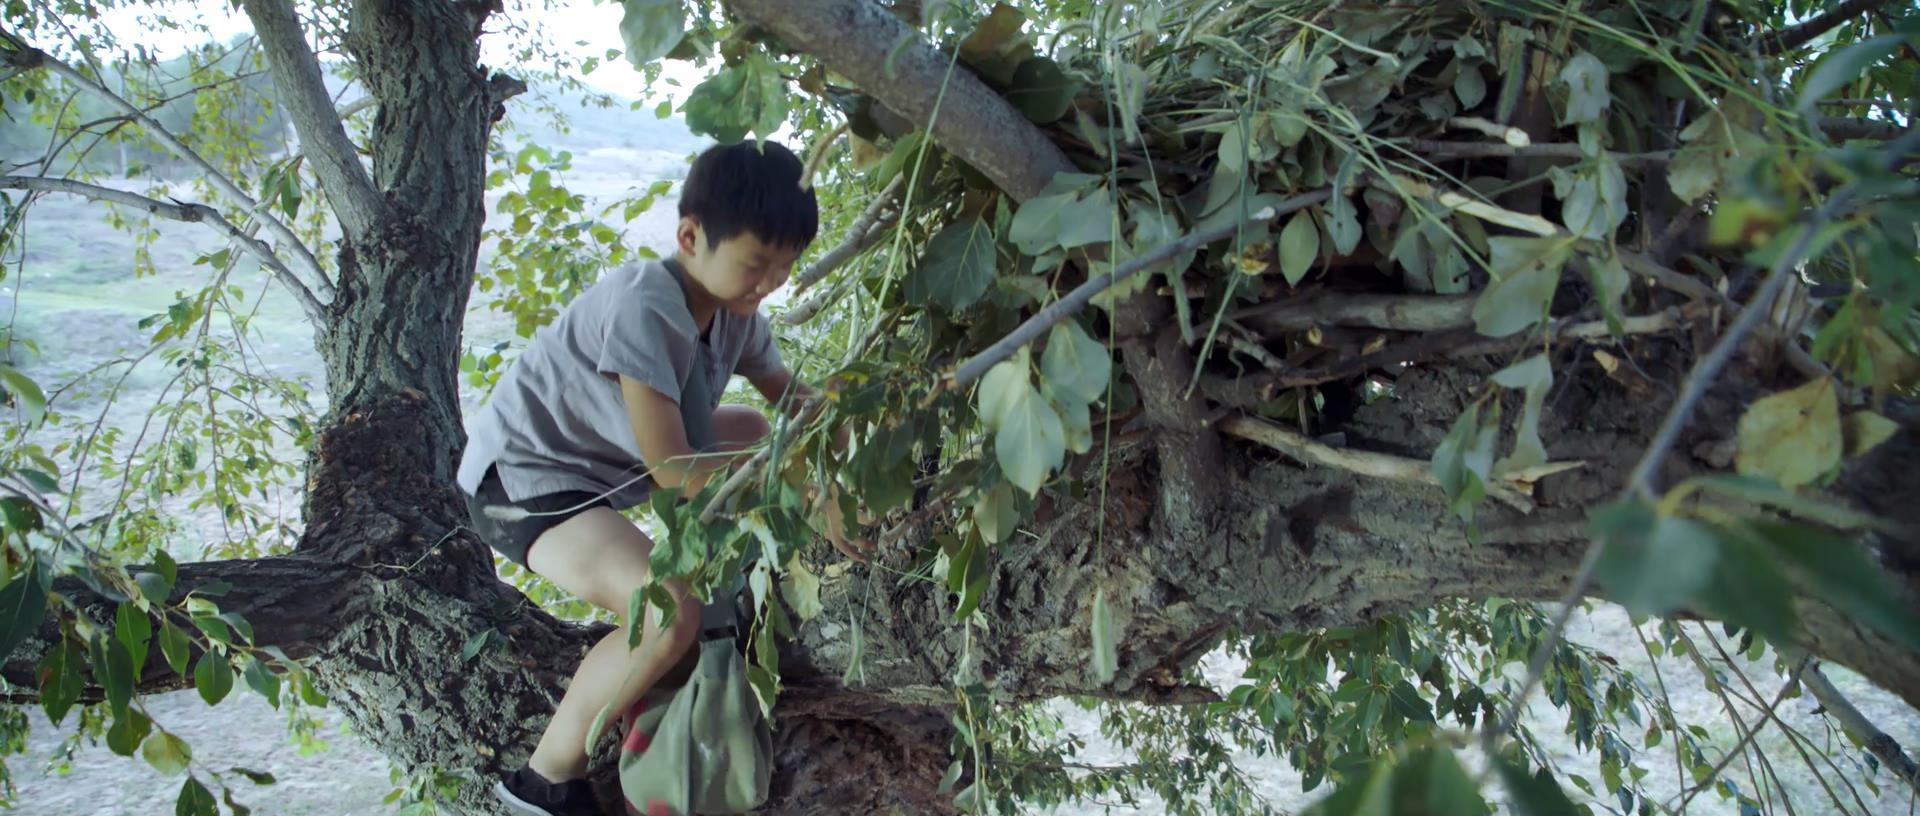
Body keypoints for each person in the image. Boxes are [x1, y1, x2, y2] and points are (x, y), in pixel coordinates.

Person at [456, 139, 865, 816]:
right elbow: (673, 470)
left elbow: (792, 403)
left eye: (784, 269)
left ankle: (735, 585)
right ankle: (541, 783)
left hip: (597, 473)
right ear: (690, 236)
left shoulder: (738, 316)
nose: (768, 284)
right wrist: (804, 494)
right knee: (668, 616)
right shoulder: (646, 304)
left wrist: (839, 430)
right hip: (524, 488)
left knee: (759, 433)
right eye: (756, 264)